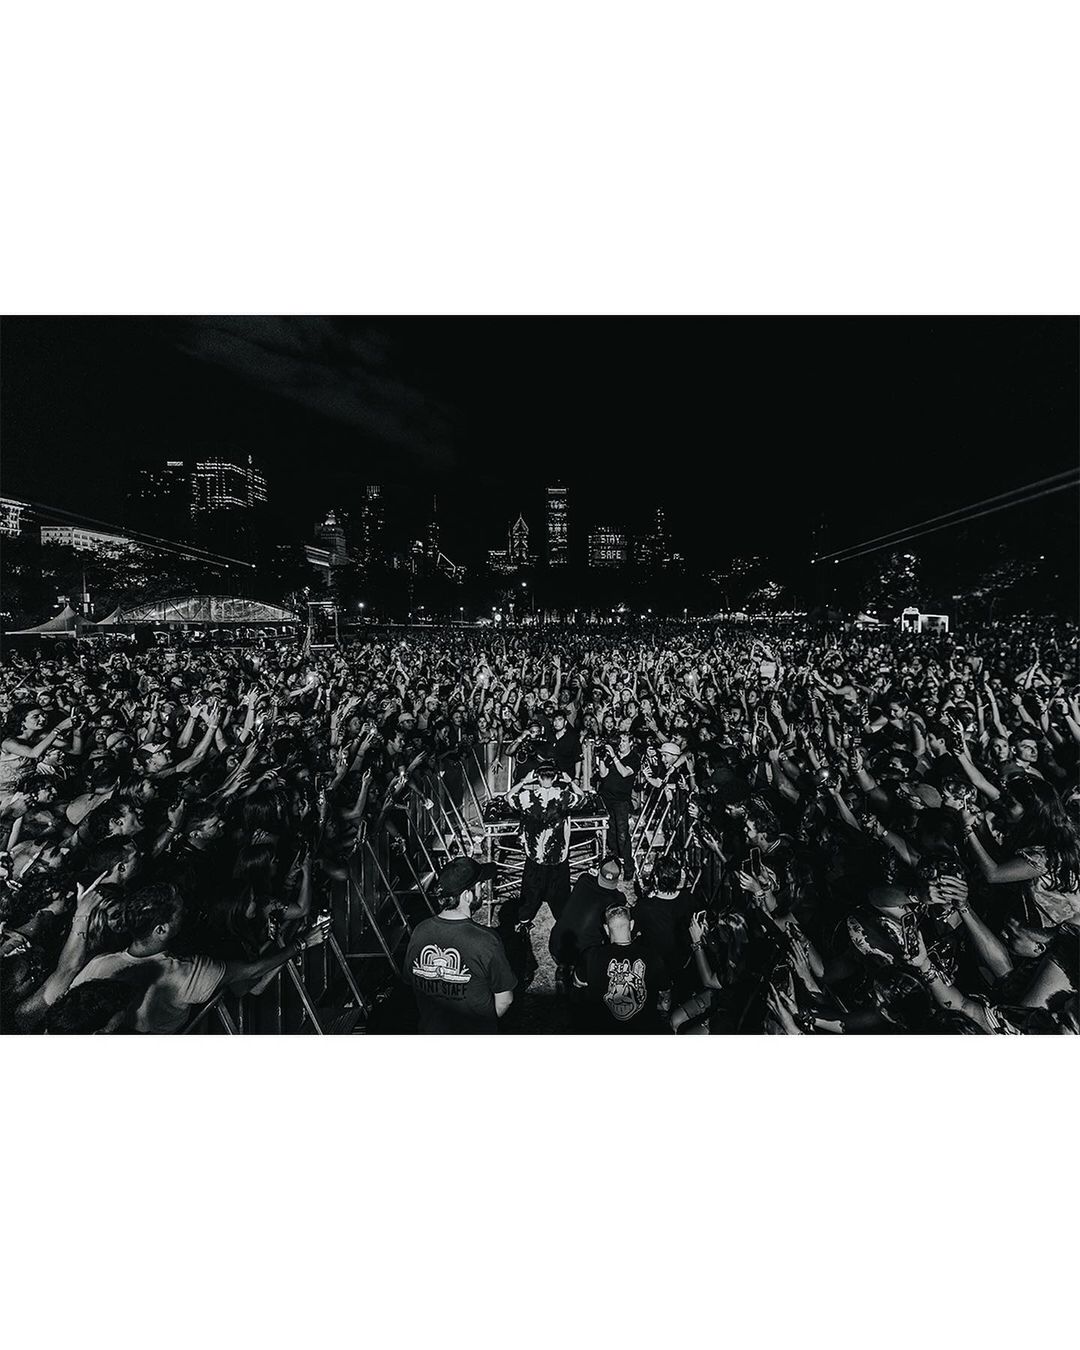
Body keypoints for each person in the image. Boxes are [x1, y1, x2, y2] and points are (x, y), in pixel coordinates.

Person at [404, 856, 516, 1033]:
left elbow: (410, 983)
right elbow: (505, 1000)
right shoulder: (487, 941)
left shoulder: (419, 931)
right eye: (479, 886)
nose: (483, 890)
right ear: (467, 896)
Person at [498, 761, 586, 932]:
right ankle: (562, 921)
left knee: (530, 891)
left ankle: (524, 920)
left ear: (537, 777)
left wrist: (524, 781)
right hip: (558, 855)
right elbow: (582, 798)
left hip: (535, 855)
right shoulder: (564, 796)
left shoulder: (526, 797)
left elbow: (508, 797)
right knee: (560, 893)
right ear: (555, 778)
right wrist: (570, 781)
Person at [573, 902, 672, 1033]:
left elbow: (577, 983)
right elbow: (665, 1001)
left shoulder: (591, 955)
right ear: (631, 925)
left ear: (606, 929)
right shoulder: (653, 957)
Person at [548, 855, 624, 984]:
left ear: (599, 870)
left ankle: (563, 967)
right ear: (618, 877)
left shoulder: (583, 880)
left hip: (556, 946)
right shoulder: (618, 899)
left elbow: (589, 880)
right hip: (582, 957)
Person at [595, 730, 641, 880]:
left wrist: (614, 757)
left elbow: (625, 773)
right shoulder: (612, 755)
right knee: (611, 834)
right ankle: (615, 864)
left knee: (622, 835)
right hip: (607, 798)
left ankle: (629, 867)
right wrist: (601, 757)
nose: (621, 744)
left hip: (621, 801)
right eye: (619, 741)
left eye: (624, 741)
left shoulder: (634, 758)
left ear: (631, 743)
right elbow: (603, 774)